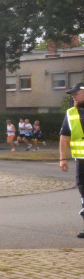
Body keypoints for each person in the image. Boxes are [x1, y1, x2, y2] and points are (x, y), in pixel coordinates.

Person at [58, 81, 84, 238]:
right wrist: (62, 158)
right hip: (81, 161)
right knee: (83, 192)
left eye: (76, 93)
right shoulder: (71, 113)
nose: (73, 95)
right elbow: (64, 136)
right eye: (72, 94)